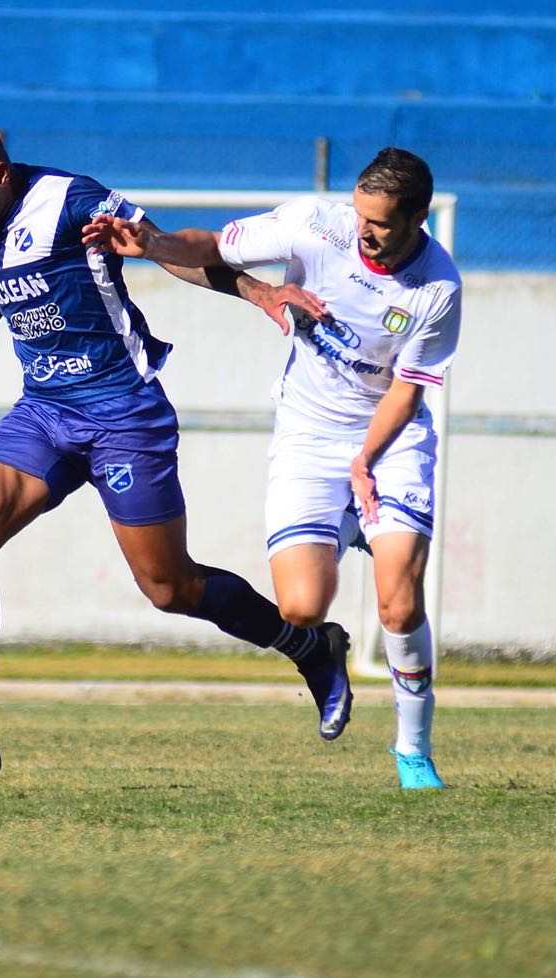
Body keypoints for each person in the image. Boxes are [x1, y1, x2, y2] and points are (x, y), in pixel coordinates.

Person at [0, 119, 354, 783]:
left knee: (170, 588)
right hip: (46, 412)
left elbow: (163, 248)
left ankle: (309, 647)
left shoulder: (70, 200)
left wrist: (261, 292)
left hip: (122, 415)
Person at [82, 148, 461, 790]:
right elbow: (216, 247)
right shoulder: (316, 225)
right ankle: (330, 624)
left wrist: (366, 459)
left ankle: (412, 750)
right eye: (361, 215)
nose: (364, 231)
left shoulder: (438, 288)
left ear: (419, 219)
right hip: (308, 436)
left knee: (398, 604)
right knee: (303, 606)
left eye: (381, 224)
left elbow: (407, 391)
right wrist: (155, 242)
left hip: (388, 443)